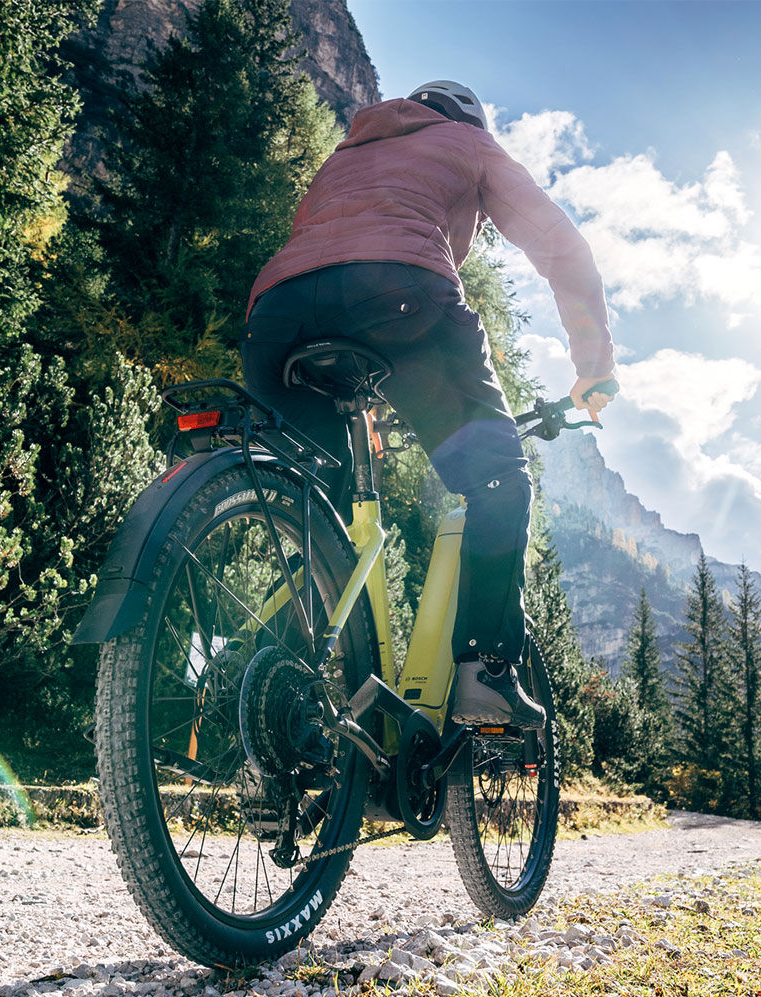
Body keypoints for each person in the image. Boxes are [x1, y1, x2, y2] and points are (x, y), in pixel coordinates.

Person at [240, 80, 615, 729]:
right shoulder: (471, 142)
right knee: (497, 477)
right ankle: (485, 673)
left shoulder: (347, 154)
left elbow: (332, 263)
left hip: (274, 316)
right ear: (468, 118)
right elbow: (561, 248)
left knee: (323, 514)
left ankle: (283, 701)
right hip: (402, 294)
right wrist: (594, 369)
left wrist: (365, 400)